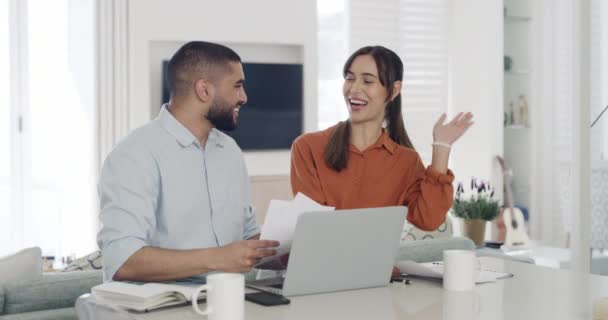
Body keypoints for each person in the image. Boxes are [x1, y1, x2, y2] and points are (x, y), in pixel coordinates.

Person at [97, 41, 279, 282]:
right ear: (204, 90)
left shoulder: (230, 151)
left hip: (230, 300)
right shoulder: (134, 154)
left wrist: (285, 248)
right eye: (237, 86)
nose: (243, 97)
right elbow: (122, 261)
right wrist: (217, 258)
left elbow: (246, 235)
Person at [290, 45, 474, 232]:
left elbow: (428, 220)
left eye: (368, 81)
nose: (354, 88)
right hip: (323, 260)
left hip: (377, 261)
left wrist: (441, 147)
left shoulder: (406, 161)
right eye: (349, 78)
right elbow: (313, 226)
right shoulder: (308, 147)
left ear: (394, 90)